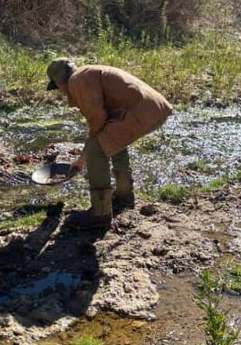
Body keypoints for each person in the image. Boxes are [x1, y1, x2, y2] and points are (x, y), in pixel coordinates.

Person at [46, 58, 173, 229]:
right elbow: (103, 124)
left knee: (97, 152)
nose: (60, 92)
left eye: (57, 87)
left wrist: (84, 158)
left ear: (60, 81)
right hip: (154, 107)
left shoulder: (77, 80)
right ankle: (123, 195)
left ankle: (100, 214)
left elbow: (97, 119)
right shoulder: (86, 73)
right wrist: (80, 160)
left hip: (141, 111)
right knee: (111, 141)